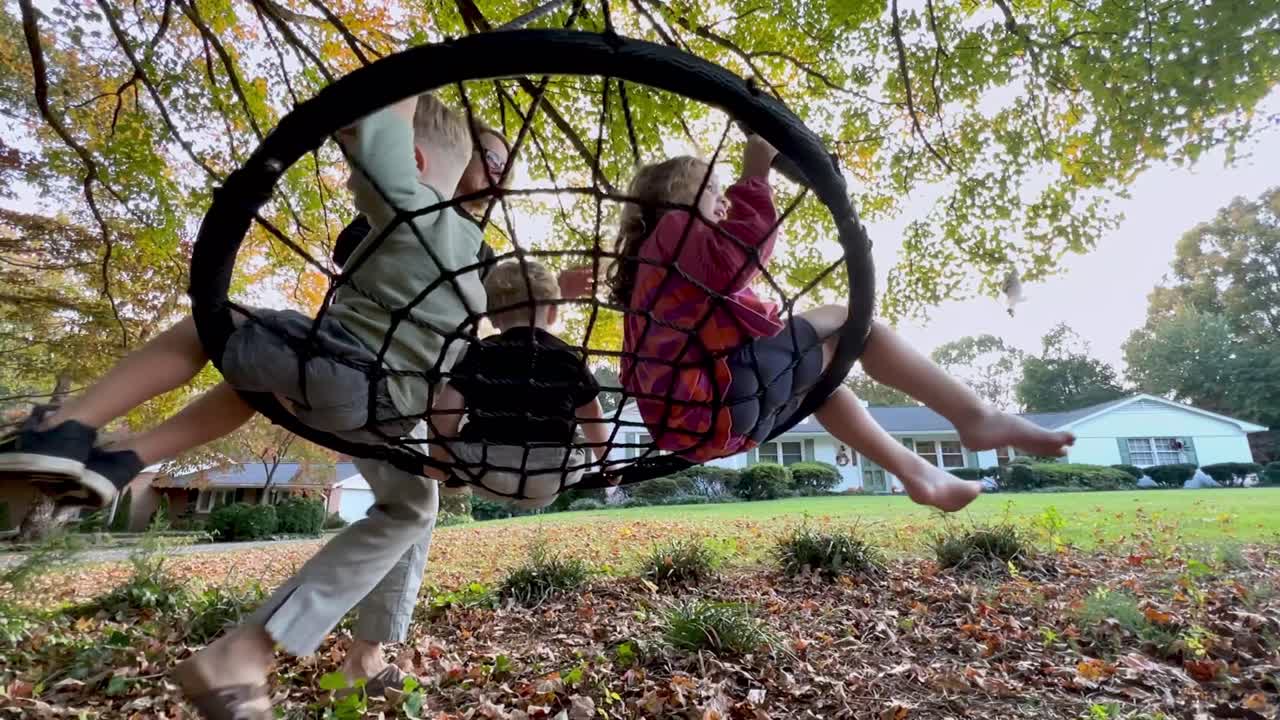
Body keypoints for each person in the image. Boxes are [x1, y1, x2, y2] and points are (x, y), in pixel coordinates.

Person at [0, 93, 483, 719]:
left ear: (412, 160)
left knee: (220, 326)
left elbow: (390, 153)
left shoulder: (414, 206)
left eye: (363, 155)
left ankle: (69, 424)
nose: (355, 169)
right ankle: (125, 464)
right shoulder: (471, 277)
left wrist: (404, 94)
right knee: (407, 500)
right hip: (382, 410)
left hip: (343, 368)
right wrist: (442, 443)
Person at [609, 135, 1074, 513]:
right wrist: (755, 172)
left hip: (707, 426)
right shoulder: (673, 227)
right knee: (846, 319)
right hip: (722, 402)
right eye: (710, 188)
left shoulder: (647, 275)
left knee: (828, 385)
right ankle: (977, 418)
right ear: (672, 194)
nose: (721, 201)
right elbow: (740, 254)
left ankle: (918, 473)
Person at [428, 259, 609, 509]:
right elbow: (592, 415)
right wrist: (608, 463)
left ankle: (450, 477)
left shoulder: (479, 353)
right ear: (554, 313)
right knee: (576, 439)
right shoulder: (566, 356)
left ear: (491, 317)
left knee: (455, 436)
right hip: (552, 474)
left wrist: (438, 463)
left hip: (485, 470)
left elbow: (443, 415)